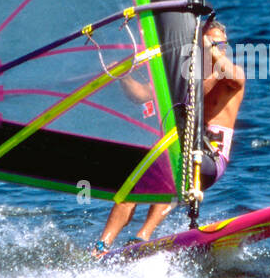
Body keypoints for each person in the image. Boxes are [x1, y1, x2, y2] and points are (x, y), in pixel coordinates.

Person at [92, 16, 245, 256]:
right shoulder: (187, 78)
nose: (214, 49)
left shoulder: (232, 75)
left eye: (220, 45)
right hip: (182, 151)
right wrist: (123, 76)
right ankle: (101, 247)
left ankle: (141, 236)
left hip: (211, 159)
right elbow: (143, 94)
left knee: (174, 166)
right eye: (208, 43)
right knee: (131, 188)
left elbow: (226, 80)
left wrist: (210, 49)